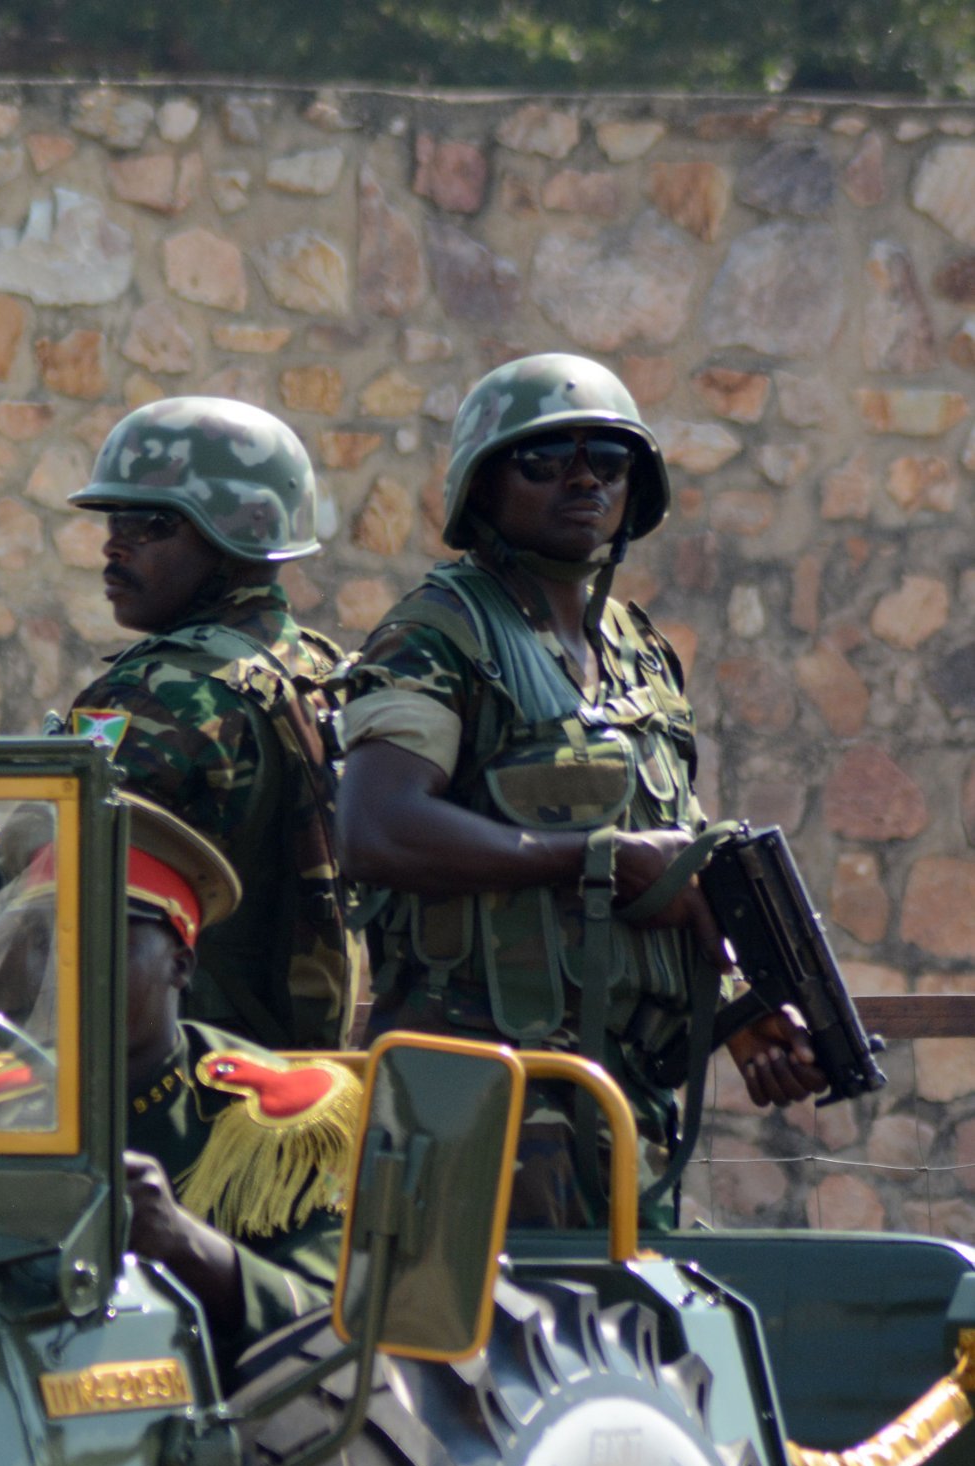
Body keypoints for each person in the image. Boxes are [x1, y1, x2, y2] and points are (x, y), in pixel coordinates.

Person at [335, 352, 820, 1227]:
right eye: (545, 460)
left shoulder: (641, 653)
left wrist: (741, 1013)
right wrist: (593, 859)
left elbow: (678, 870)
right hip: (478, 1098)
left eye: (611, 459)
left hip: (622, 1096)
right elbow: (376, 827)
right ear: (482, 489)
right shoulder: (436, 633)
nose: (584, 479)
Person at [56, 396, 356, 1052]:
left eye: (152, 522)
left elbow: (52, 910)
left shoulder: (152, 693)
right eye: (114, 518)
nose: (114, 544)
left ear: (240, 532)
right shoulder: (328, 671)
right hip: (313, 1089)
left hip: (173, 1100)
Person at [112, 797, 353, 1364]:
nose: (67, 965)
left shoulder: (282, 1115)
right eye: (45, 940)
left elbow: (337, 1324)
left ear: (181, 966)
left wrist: (184, 1244)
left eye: (106, 939)